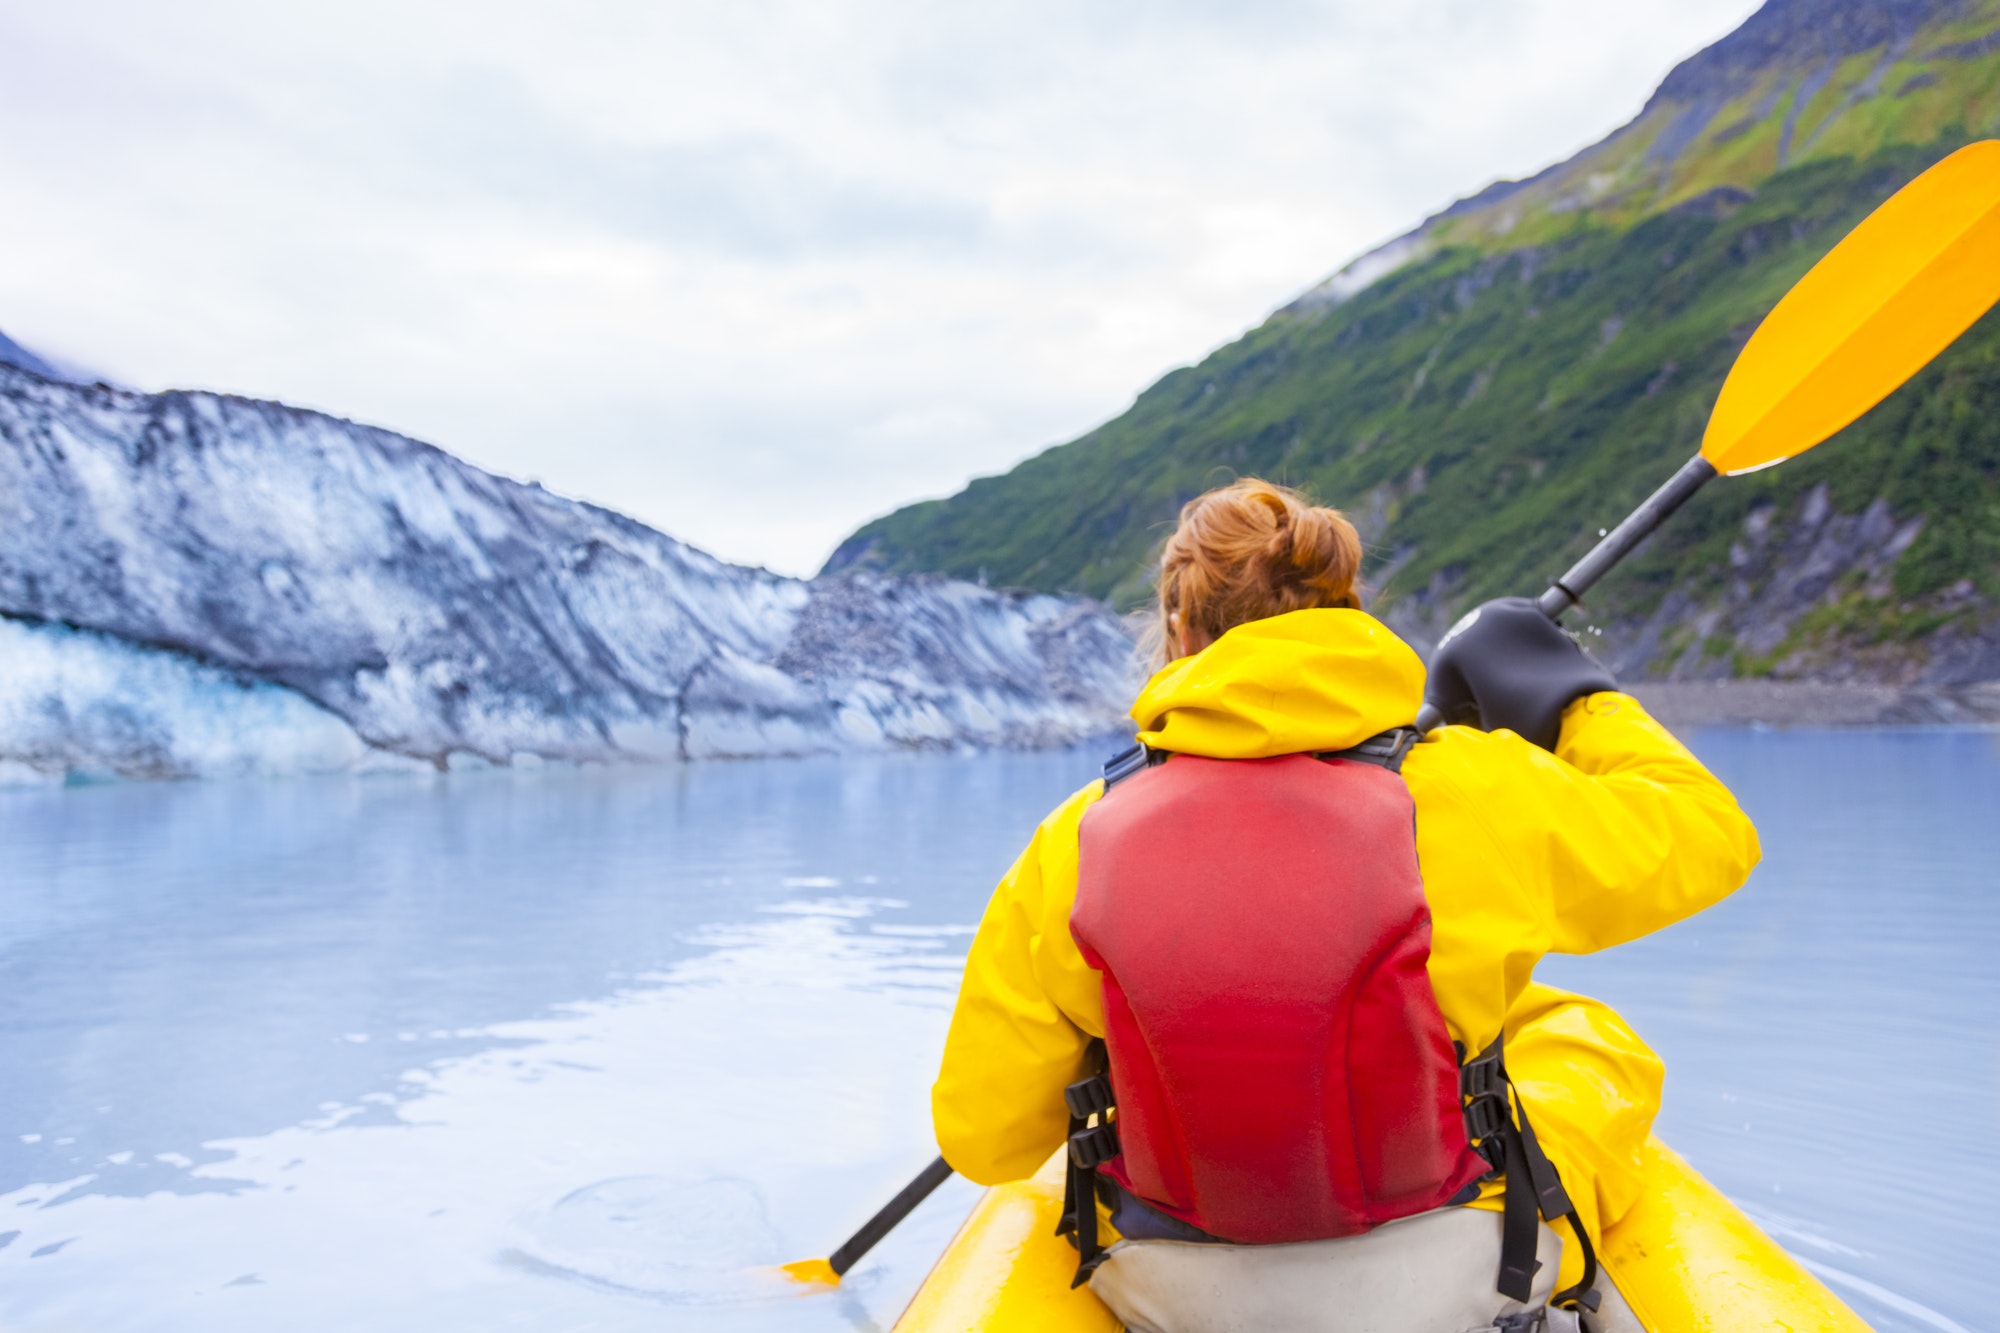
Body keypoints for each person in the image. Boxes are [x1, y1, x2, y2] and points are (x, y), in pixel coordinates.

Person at [930, 478, 1759, 1333]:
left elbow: (983, 1140)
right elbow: (1711, 833)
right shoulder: (1472, 784)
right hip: (1448, 1276)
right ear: (1346, 611)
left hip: (1172, 1289)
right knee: (1573, 1029)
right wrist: (1566, 690)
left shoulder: (1076, 836)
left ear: (1181, 631)